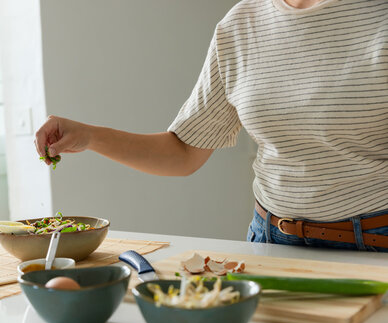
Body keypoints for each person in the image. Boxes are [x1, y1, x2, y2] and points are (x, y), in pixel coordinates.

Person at [35, 0, 388, 252]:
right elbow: (183, 152)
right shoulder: (240, 25)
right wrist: (89, 136)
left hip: (374, 242)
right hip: (270, 242)